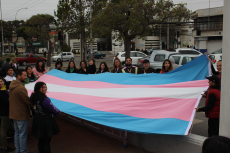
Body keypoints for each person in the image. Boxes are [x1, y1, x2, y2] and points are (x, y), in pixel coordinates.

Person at [30, 82, 61, 153]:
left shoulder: (33, 97)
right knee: (46, 142)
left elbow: (33, 107)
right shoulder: (45, 99)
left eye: (45, 87)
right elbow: (53, 109)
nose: (45, 88)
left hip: (37, 120)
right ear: (38, 88)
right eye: (43, 87)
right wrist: (59, 112)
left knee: (40, 140)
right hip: (46, 122)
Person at [9, 69, 31, 153]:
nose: (26, 77)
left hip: (14, 114)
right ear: (18, 76)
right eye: (24, 75)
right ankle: (23, 151)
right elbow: (27, 101)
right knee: (22, 135)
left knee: (17, 133)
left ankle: (18, 150)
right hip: (21, 114)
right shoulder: (20, 88)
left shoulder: (12, 84)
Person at [0, 77, 14, 152]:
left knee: (2, 130)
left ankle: (2, 145)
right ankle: (4, 147)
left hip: (3, 112)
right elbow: (7, 102)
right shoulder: (2, 92)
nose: (1, 83)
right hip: (4, 113)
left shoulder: (3, 91)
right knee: (3, 130)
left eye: (2, 81)